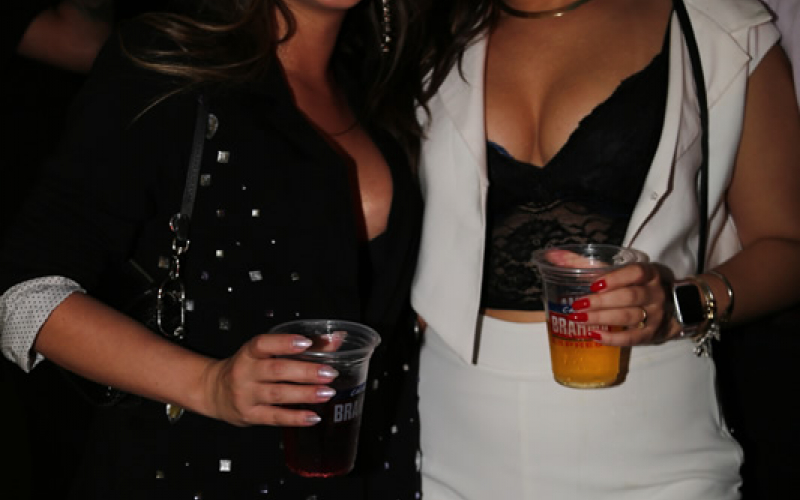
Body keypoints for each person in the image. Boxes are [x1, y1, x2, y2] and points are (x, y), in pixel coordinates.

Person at [0, 1, 426, 499]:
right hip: (191, 472)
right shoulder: (169, 61)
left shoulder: (386, 82)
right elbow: (22, 297)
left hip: (370, 475)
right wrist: (210, 384)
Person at [412, 0, 800, 499]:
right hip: (450, 442)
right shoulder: (420, 33)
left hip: (655, 444)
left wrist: (679, 305)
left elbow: (786, 244)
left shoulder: (719, 27)